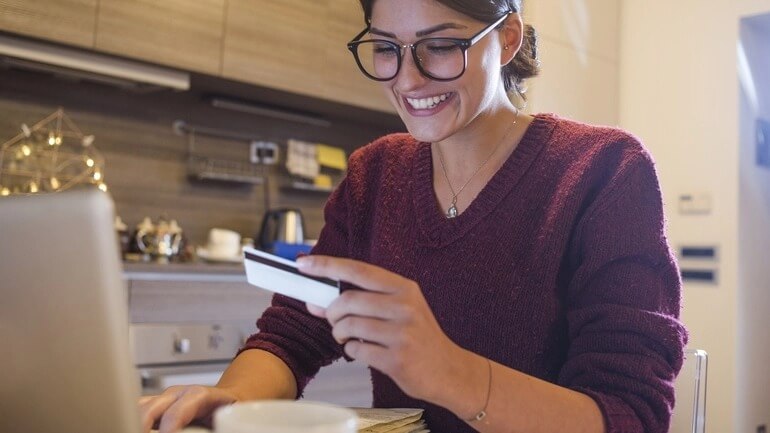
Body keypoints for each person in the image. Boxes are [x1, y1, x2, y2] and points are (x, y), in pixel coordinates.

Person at [139, 0, 688, 432]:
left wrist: (447, 372)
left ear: (508, 37)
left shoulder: (604, 171)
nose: (408, 79)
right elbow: (294, 332)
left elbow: (630, 417)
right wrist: (230, 403)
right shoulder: (375, 175)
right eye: (386, 49)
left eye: (440, 45)